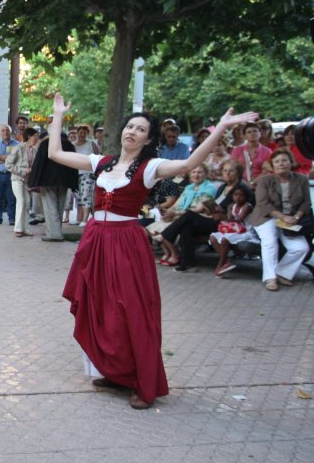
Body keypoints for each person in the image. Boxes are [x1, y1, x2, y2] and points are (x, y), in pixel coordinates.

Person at [46, 93, 256, 410]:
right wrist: (57, 115)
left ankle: (143, 383)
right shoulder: (102, 162)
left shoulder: (150, 167)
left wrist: (221, 128)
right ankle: (115, 372)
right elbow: (55, 153)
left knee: (131, 311)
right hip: (96, 241)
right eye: (129, 126)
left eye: (140, 129)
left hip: (125, 243)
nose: (132, 132)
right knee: (101, 308)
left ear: (147, 139)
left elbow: (189, 163)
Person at [156, 160, 254, 272]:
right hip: (213, 219)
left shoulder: (240, 188)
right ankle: (188, 264)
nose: (227, 173)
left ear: (238, 173)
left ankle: (166, 235)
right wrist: (211, 209)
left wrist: (222, 214)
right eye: (225, 170)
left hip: (228, 224)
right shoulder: (223, 187)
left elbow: (245, 208)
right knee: (186, 227)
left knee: (189, 215)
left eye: (231, 171)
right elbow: (216, 206)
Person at [246, 149, 311, 291]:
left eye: (284, 160)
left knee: (301, 248)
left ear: (290, 162)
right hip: (267, 216)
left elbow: (306, 203)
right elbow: (263, 204)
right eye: (277, 161)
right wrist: (282, 217)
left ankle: (282, 273)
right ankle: (270, 278)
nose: (281, 164)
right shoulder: (264, 180)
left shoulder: (301, 179)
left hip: (292, 218)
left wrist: (296, 217)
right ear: (272, 165)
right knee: (270, 242)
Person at [154, 166, 218, 267]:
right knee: (181, 227)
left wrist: (176, 213)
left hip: (201, 219)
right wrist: (170, 211)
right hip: (185, 218)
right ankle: (182, 261)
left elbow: (199, 209)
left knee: (182, 221)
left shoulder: (209, 187)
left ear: (206, 175)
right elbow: (176, 204)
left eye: (200, 172)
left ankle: (170, 247)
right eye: (194, 172)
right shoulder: (189, 187)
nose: (196, 175)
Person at [28, 127, 78, 242]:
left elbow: (38, 163)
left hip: (48, 181)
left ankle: (54, 235)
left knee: (50, 207)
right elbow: (74, 163)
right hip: (64, 181)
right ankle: (57, 232)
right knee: (59, 207)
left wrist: (33, 181)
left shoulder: (46, 144)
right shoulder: (68, 144)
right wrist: (74, 182)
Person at [208, 187, 254, 277]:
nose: (238, 197)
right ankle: (227, 261)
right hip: (233, 230)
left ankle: (220, 264)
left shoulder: (247, 206)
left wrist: (222, 216)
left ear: (246, 197)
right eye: (236, 195)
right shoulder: (231, 206)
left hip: (244, 231)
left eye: (241, 195)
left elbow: (239, 220)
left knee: (225, 240)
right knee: (213, 237)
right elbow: (230, 219)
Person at [5, 127, 37, 237]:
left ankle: (24, 228)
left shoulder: (34, 150)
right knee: (22, 200)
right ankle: (17, 228)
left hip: (27, 181)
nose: (37, 139)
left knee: (27, 202)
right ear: (29, 136)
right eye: (35, 136)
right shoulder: (18, 148)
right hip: (17, 179)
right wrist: (24, 170)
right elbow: (8, 164)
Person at [0, 125, 17, 225]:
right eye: (3, 130)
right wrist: (6, 157)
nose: (5, 132)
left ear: (10, 132)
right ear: (0, 133)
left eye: (7, 130)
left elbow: (15, 159)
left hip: (11, 175)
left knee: (11, 198)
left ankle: (12, 218)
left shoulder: (17, 145)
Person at [72, 124, 96, 226]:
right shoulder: (72, 144)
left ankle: (85, 219)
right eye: (80, 132)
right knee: (78, 197)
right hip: (75, 173)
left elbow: (97, 156)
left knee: (86, 195)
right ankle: (80, 217)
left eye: (84, 133)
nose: (82, 134)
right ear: (77, 133)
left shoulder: (91, 143)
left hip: (87, 173)